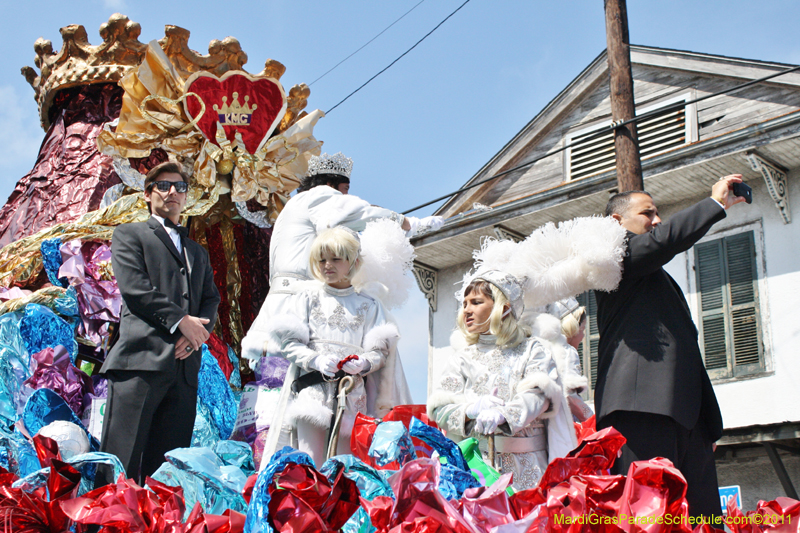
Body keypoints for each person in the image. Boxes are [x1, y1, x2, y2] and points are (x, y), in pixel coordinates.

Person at [594, 175, 747, 520]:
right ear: (617, 223)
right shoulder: (612, 258)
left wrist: (706, 421)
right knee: (648, 518)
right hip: (640, 407)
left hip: (689, 417)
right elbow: (664, 241)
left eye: (658, 213)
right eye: (648, 213)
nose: (657, 220)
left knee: (703, 520)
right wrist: (715, 204)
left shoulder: (657, 278)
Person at [241, 152, 442, 362]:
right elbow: (360, 212)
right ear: (330, 184)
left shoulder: (295, 204)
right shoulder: (319, 195)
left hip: (281, 300)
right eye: (345, 190)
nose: (345, 197)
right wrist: (408, 223)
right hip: (298, 302)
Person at [97, 161, 220, 486]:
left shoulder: (198, 253)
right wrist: (181, 322)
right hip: (140, 363)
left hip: (183, 374)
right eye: (163, 186)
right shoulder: (129, 234)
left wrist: (198, 334)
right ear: (148, 193)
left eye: (179, 187)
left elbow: (211, 300)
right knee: (119, 466)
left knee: (164, 476)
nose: (172, 193)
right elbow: (136, 289)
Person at [266, 227, 403, 465]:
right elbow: (289, 343)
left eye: (335, 258)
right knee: (310, 462)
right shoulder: (306, 298)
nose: (327, 265)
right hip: (312, 390)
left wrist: (364, 362)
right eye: (321, 259)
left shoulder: (370, 305)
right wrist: (315, 360)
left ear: (353, 261)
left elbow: (381, 352)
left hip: (352, 393)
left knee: (346, 464)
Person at [428, 269, 575, 490]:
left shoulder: (533, 349)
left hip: (528, 471)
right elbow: (440, 409)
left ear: (503, 308)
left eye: (476, 302)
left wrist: (504, 415)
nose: (466, 310)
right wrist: (470, 410)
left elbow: (538, 395)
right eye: (465, 303)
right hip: (475, 472)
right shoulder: (461, 358)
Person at [546, 298, 592, 422]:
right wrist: (591, 418)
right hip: (564, 426)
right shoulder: (567, 352)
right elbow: (569, 395)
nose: (582, 337)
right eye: (582, 330)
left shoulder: (543, 348)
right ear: (572, 329)